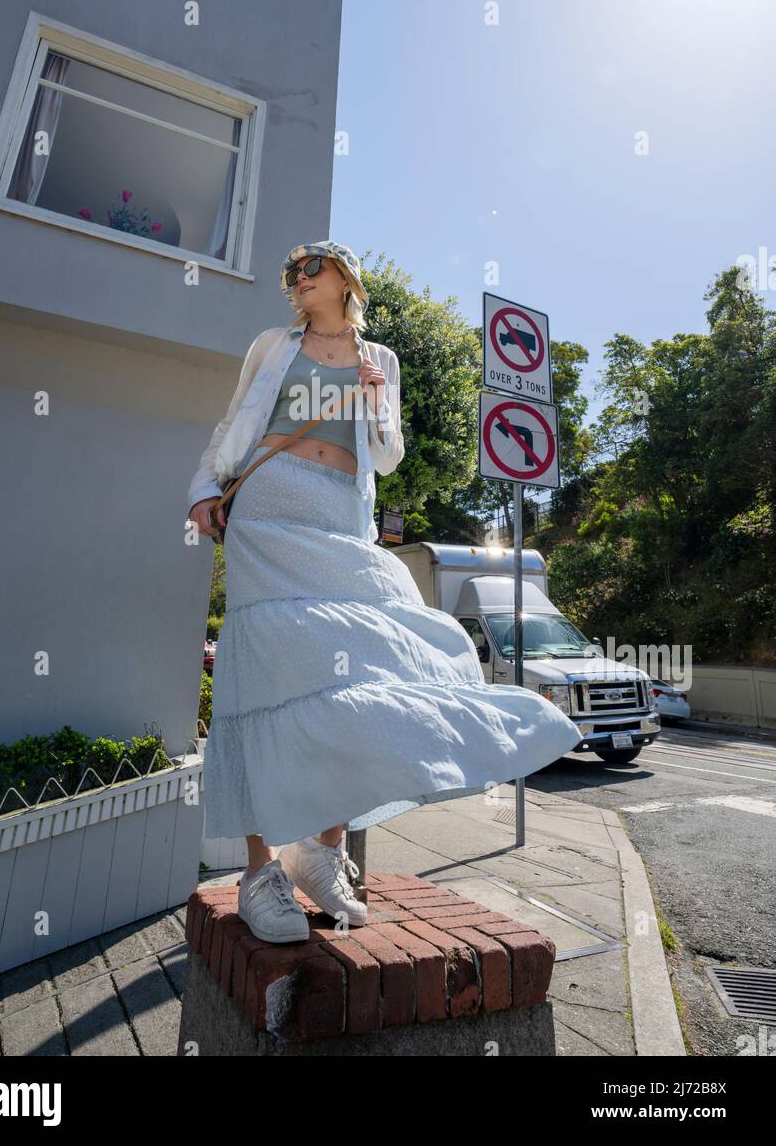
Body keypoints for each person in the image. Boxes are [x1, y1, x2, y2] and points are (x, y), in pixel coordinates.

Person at [187, 240, 582, 944]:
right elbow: (232, 422)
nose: (300, 280)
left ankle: (321, 849)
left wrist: (374, 399)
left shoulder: (385, 360)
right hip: (268, 514)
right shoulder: (272, 345)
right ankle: (259, 871)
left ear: (345, 279)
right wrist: (202, 492)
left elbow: (390, 454)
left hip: (341, 514)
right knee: (261, 673)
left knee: (367, 660)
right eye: (293, 274)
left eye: (313, 269)